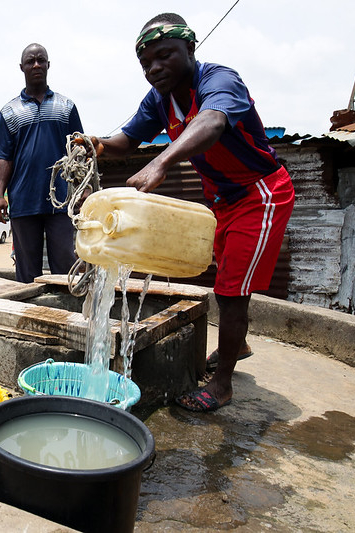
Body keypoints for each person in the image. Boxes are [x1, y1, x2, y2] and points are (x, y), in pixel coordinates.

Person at [83, 13, 294, 412]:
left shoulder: (218, 81)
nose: (155, 69)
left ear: (190, 49)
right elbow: (126, 141)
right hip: (223, 201)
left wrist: (162, 162)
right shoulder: (160, 101)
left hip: (260, 193)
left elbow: (213, 123)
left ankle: (222, 385)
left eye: (164, 56)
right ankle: (239, 341)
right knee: (224, 276)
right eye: (146, 64)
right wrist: (98, 144)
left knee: (232, 293)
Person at [0, 43, 83, 283]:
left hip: (61, 200)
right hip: (23, 200)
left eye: (41, 60)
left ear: (48, 65)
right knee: (26, 270)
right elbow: (4, 156)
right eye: (30, 61)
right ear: (21, 67)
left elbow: (80, 152)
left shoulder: (66, 107)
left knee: (65, 265)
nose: (36, 65)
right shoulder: (9, 112)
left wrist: (82, 191)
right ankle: (26, 317)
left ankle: (66, 317)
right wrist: (0, 195)